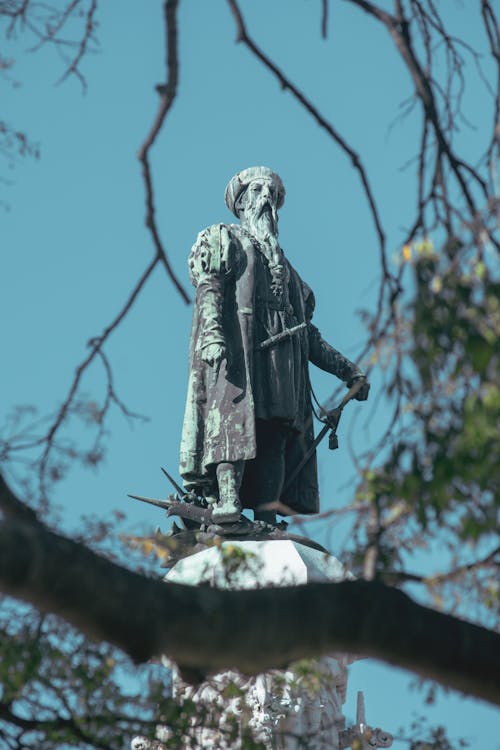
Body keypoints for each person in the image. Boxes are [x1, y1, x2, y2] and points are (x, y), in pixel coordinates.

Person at [180, 166, 369, 524]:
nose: (266, 198)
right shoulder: (225, 240)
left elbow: (308, 334)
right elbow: (209, 288)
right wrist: (213, 334)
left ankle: (267, 515)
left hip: (283, 368)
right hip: (240, 357)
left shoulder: (291, 273)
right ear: (241, 203)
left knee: (276, 434)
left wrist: (348, 371)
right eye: (257, 190)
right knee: (234, 423)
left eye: (272, 193)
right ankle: (228, 501)